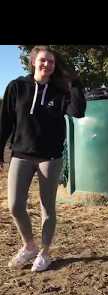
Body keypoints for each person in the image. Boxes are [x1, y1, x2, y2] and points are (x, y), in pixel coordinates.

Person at [0, 45, 86, 272]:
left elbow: (77, 111)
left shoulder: (60, 92)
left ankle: (45, 252)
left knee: (47, 208)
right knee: (15, 206)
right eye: (43, 60)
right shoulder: (17, 87)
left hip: (50, 157)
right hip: (21, 155)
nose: (47, 64)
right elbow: (5, 122)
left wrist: (75, 83)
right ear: (33, 62)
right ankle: (28, 245)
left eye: (51, 62)